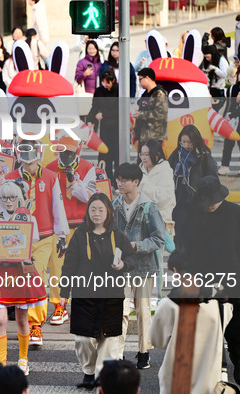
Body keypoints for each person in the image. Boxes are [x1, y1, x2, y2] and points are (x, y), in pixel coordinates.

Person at [61, 193, 135, 389]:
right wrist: (62, 293)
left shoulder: (118, 235)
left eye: (101, 210)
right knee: (83, 338)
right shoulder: (79, 234)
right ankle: (88, 370)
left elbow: (132, 259)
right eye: (93, 209)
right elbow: (68, 265)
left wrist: (124, 265)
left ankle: (101, 377)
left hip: (112, 294)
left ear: (108, 212)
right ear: (88, 212)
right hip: (84, 294)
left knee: (109, 339)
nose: (96, 213)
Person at [188, 175, 240, 386]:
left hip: (232, 279)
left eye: (212, 202)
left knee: (235, 327)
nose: (209, 206)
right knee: (209, 325)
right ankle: (219, 363)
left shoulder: (238, 214)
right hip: (204, 281)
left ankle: (237, 357)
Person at [5, 141, 69, 347]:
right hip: (16, 237)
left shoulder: (51, 178)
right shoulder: (9, 179)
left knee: (37, 278)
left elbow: (57, 206)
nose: (30, 164)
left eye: (32, 158)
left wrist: (61, 235)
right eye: (25, 156)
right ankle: (25, 320)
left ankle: (35, 325)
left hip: (44, 237)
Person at [0, 180, 46, 375]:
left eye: (13, 197)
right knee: (0, 319)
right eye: (5, 198)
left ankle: (23, 359)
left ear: (19, 198)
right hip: (0, 270)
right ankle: (2, 363)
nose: (9, 201)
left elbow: (30, 243)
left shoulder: (29, 218)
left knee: (22, 318)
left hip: (20, 272)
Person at [149, 249, 234, 394]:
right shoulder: (220, 303)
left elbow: (158, 341)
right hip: (210, 382)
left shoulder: (169, 304)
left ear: (176, 271)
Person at [112, 163, 165, 369]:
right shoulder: (114, 205)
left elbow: (159, 239)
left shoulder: (149, 207)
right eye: (118, 179)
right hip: (121, 267)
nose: (120, 183)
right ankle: (118, 353)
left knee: (143, 311)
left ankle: (144, 352)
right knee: (121, 310)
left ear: (136, 182)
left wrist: (136, 245)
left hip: (144, 268)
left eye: (124, 179)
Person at [46, 137, 97, 326]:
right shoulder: (49, 168)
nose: (66, 156)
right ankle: (59, 306)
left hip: (81, 224)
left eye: (70, 152)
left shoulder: (87, 168)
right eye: (63, 152)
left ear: (77, 151)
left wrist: (73, 180)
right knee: (58, 268)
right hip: (58, 226)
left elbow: (88, 197)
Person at [167, 125, 218, 250]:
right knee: (179, 237)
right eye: (183, 142)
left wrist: (201, 186)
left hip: (196, 203)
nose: (186, 145)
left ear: (196, 141)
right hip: (178, 202)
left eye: (189, 142)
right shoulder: (176, 155)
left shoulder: (204, 156)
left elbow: (214, 178)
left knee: (196, 237)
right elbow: (167, 172)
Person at [138, 140, 176, 300]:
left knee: (156, 261)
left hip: (158, 222)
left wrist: (144, 183)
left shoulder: (164, 171)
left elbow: (164, 198)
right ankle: (141, 296)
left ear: (156, 154)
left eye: (147, 154)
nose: (143, 157)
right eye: (141, 153)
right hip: (140, 221)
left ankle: (156, 296)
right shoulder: (141, 170)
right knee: (141, 260)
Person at [87, 69, 120, 183]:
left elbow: (121, 109)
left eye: (108, 82)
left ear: (113, 80)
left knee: (117, 155)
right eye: (103, 82)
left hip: (118, 128)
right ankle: (106, 180)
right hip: (105, 129)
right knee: (104, 155)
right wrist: (90, 120)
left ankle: (118, 181)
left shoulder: (119, 90)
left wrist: (104, 115)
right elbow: (94, 107)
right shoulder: (99, 91)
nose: (105, 85)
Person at [219, 67, 240, 176]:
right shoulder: (233, 88)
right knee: (228, 143)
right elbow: (229, 104)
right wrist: (225, 117)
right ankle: (225, 165)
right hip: (231, 119)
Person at [132, 67, 168, 150]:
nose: (139, 82)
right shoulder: (145, 93)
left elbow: (160, 113)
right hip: (143, 134)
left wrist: (141, 115)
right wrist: (136, 129)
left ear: (147, 78)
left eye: (141, 79)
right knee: (142, 160)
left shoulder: (159, 93)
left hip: (154, 135)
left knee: (151, 160)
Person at [200, 45, 229, 111]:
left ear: (212, 54)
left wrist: (215, 69)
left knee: (215, 110)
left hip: (219, 89)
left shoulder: (221, 60)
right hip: (210, 89)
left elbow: (225, 74)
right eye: (205, 57)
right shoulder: (207, 61)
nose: (207, 59)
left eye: (208, 57)